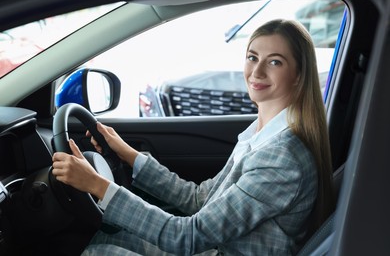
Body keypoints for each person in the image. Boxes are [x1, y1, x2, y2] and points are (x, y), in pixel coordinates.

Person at [52, 19, 334, 255]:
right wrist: (129, 154)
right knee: (107, 239)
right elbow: (201, 199)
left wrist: (98, 185)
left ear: (298, 75)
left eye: (275, 62)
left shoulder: (281, 159)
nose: (257, 71)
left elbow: (187, 237)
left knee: (101, 253)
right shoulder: (261, 134)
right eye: (252, 57)